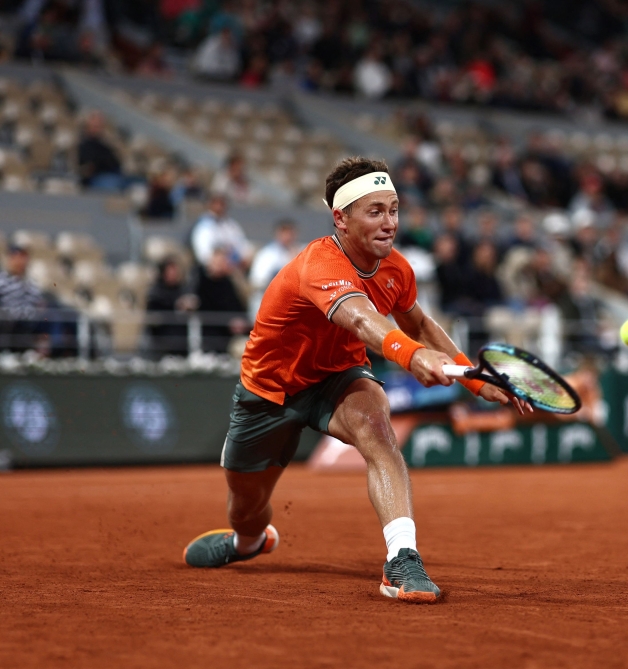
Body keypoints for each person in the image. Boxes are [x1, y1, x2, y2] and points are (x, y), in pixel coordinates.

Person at [181, 157, 527, 604]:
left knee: (377, 429)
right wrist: (412, 355)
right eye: (375, 211)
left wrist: (476, 381)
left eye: (395, 209)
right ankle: (246, 543)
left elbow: (418, 324)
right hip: (269, 390)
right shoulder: (318, 265)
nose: (390, 223)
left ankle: (402, 560)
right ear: (340, 218)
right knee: (245, 508)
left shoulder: (397, 269)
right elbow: (363, 321)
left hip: (338, 379)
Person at [195, 248, 249, 354]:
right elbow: (206, 308)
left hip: (232, 334)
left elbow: (237, 305)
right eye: (218, 262)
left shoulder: (228, 282)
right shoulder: (201, 281)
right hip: (212, 336)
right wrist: (229, 322)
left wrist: (239, 321)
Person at [247, 219, 299, 321]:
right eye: (284, 232)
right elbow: (257, 283)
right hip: (266, 306)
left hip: (288, 307)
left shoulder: (297, 253)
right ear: (277, 233)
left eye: (290, 232)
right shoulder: (266, 254)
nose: (288, 236)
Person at [0, 245, 47, 352]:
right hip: (8, 320)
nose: (21, 261)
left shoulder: (32, 283)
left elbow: (39, 303)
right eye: (17, 257)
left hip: (30, 320)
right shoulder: (2, 280)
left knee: (53, 316)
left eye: (23, 257)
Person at [146, 257, 195, 357]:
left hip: (181, 342)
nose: (173, 274)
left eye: (175, 271)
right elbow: (154, 315)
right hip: (162, 341)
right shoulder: (155, 291)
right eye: (170, 271)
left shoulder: (183, 289)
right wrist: (175, 305)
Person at [190, 192, 254, 270]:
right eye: (216, 203)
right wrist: (220, 262)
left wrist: (244, 257)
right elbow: (203, 255)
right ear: (210, 204)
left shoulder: (231, 224)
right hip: (215, 269)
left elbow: (242, 244)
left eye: (222, 203)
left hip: (234, 265)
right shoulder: (203, 225)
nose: (219, 206)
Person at [77, 111, 123, 191]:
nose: (97, 128)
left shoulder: (104, 144)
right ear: (87, 126)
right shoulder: (84, 144)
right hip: (96, 178)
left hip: (113, 175)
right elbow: (89, 165)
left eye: (99, 126)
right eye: (94, 125)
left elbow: (115, 161)